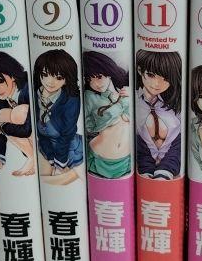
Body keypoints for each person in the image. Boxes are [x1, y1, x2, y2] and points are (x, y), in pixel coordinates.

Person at [33, 50, 83, 185]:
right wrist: (50, 157)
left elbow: (67, 133)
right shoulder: (35, 94)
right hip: (46, 147)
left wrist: (59, 163)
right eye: (45, 74)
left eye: (59, 77)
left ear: (67, 79)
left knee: (60, 182)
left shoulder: (70, 100)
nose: (50, 82)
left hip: (68, 149)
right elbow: (41, 134)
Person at [0, 51, 35, 176]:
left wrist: (1, 127)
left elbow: (27, 130)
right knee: (1, 115)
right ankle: (32, 157)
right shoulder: (4, 99)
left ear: (13, 75)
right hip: (36, 140)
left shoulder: (27, 90)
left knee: (18, 112)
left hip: (51, 139)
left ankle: (34, 158)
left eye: (0, 80)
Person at [134, 50, 182, 180]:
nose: (157, 84)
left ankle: (164, 171)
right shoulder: (133, 98)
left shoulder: (177, 101)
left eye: (166, 78)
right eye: (151, 75)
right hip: (143, 158)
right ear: (140, 70)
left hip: (172, 157)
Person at [83, 51, 131, 179]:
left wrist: (130, 98)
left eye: (99, 77)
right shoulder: (89, 96)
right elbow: (89, 126)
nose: (95, 84)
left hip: (127, 160)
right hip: (100, 159)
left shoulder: (124, 91)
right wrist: (120, 105)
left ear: (108, 73)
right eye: (89, 79)